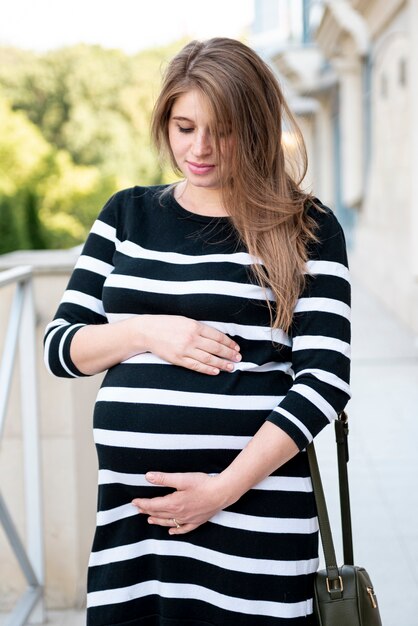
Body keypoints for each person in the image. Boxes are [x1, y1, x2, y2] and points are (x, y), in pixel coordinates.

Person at [44, 37, 350, 626]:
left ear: (257, 128)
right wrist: (149, 332)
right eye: (185, 127)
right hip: (135, 528)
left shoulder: (306, 226)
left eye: (223, 130)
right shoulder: (125, 215)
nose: (200, 148)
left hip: (254, 514)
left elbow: (323, 382)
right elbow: (62, 348)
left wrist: (222, 490)